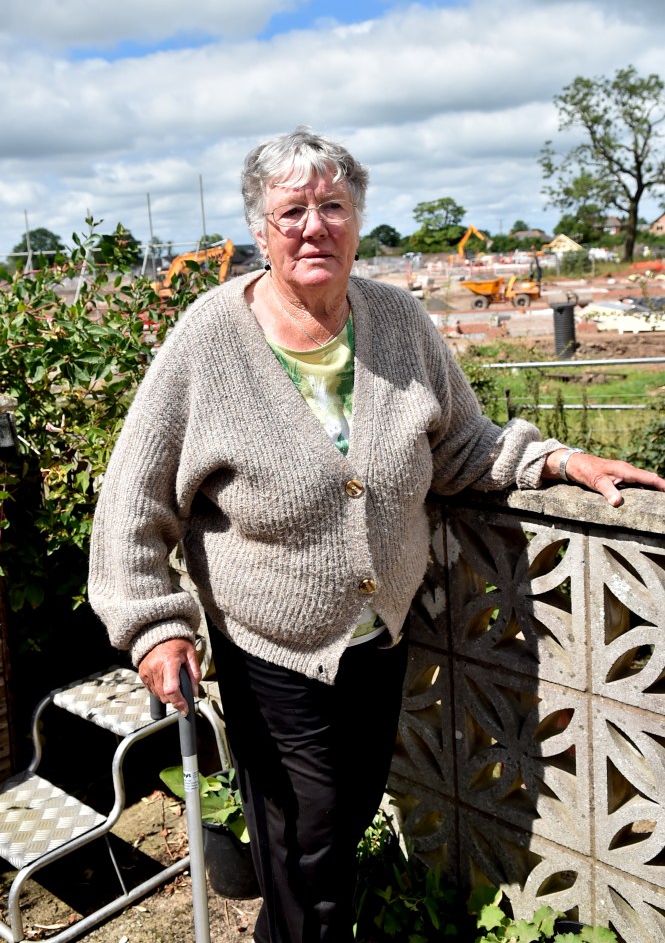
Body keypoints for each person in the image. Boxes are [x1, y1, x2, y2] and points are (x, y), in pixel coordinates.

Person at [88, 126, 665, 943]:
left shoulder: (396, 319)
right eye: (291, 211)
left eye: (332, 206)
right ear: (259, 230)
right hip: (271, 647)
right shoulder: (208, 340)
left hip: (381, 635)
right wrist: (152, 627)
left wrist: (562, 460)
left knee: (333, 829)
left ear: (357, 219)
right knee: (311, 848)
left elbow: (459, 445)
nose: (313, 227)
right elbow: (133, 501)